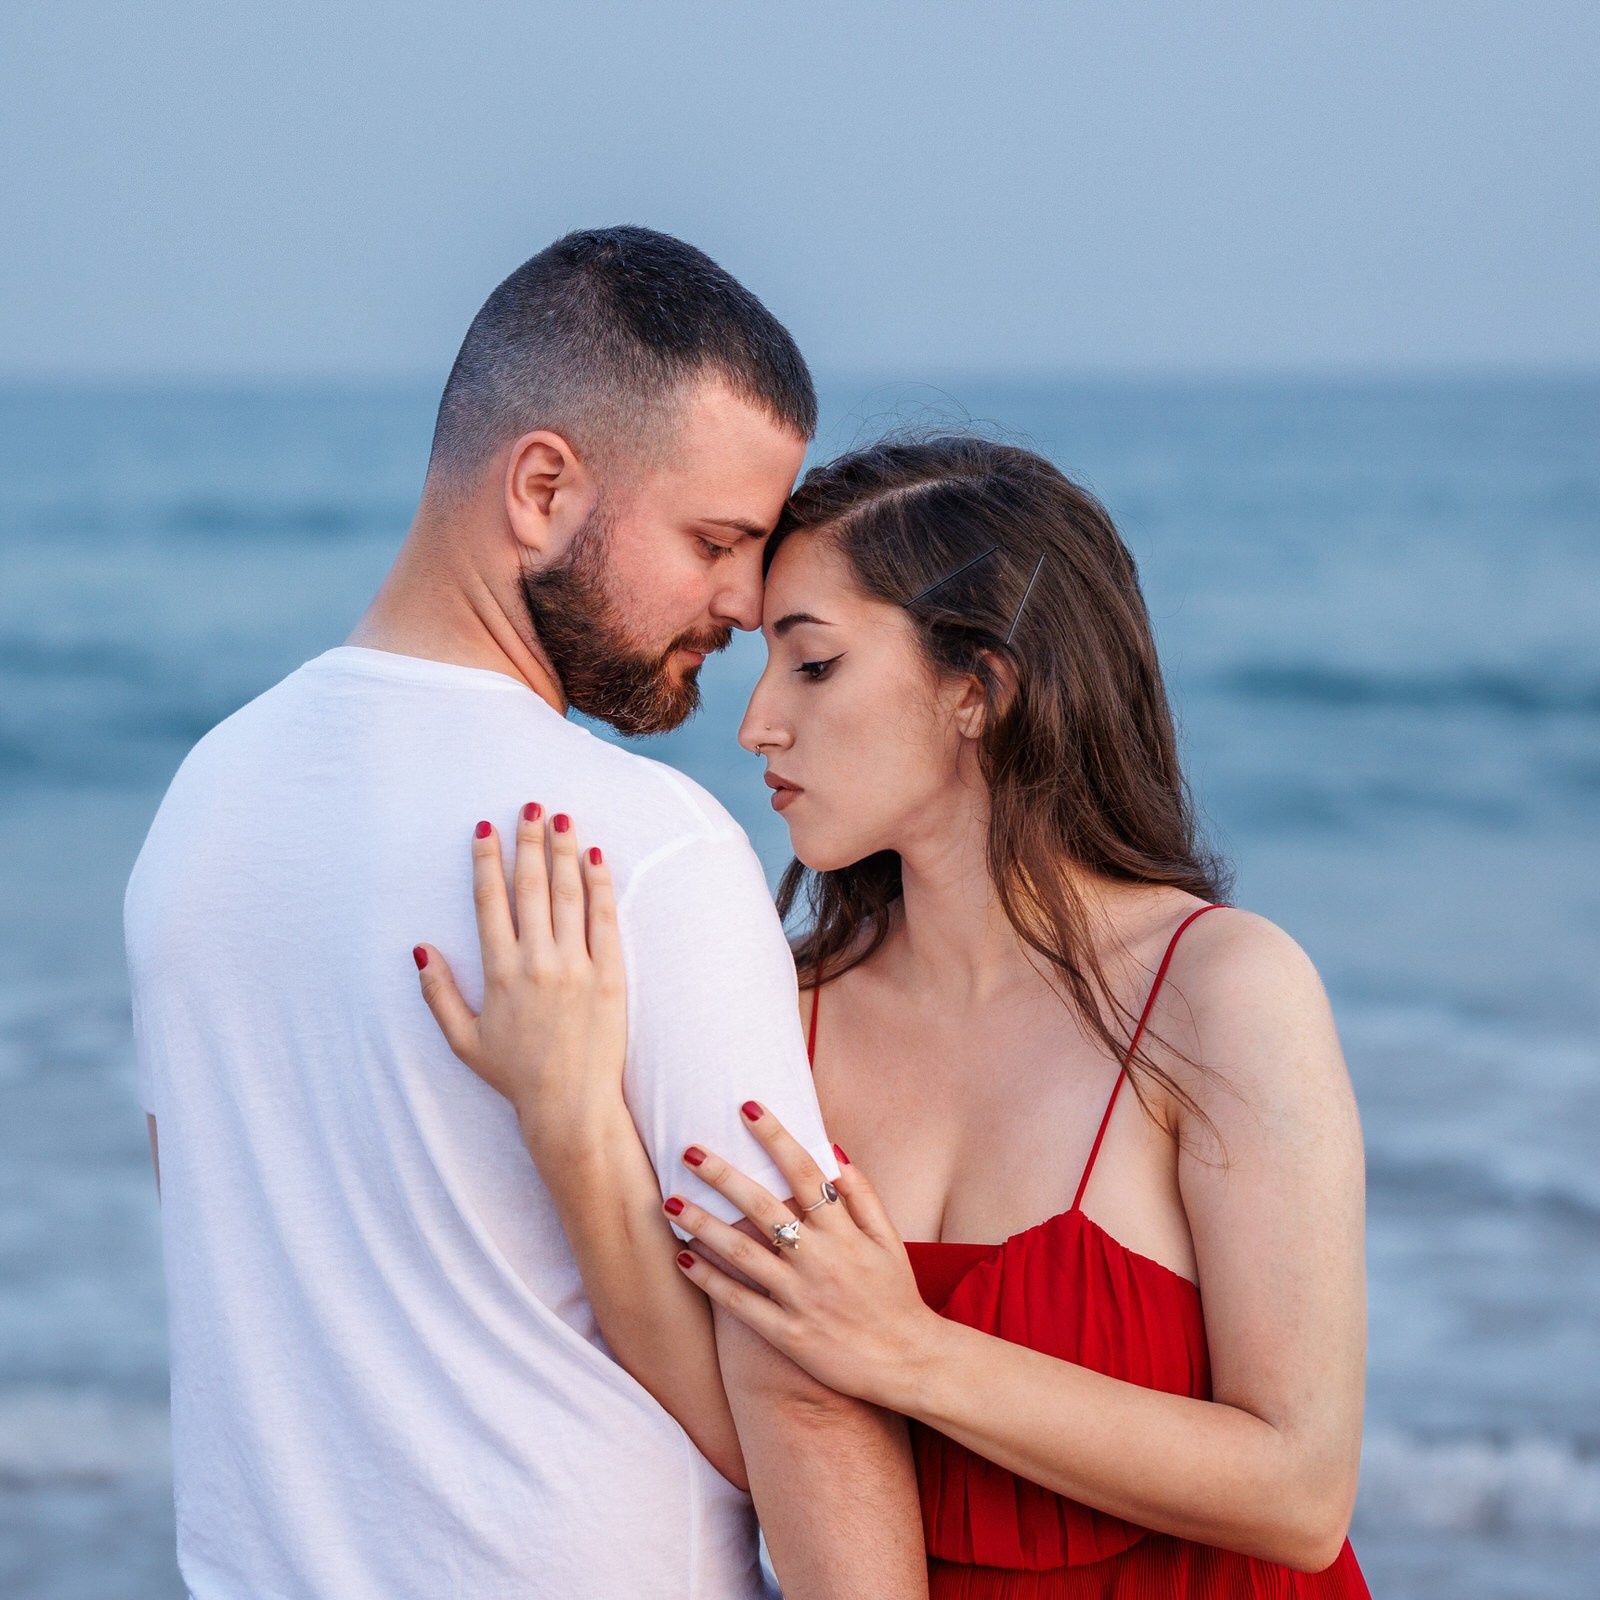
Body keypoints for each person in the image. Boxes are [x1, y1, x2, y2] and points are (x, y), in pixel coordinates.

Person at [418, 436, 1373, 1595]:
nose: (756, 722)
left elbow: (1301, 1492)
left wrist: (913, 1352)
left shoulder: (1219, 990)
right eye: (759, 663)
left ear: (980, 688)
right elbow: (746, 1436)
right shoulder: (787, 1009)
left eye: (812, 665)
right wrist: (567, 1117)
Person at [125, 227, 927, 1600]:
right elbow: (805, 1387)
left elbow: (229, 1265)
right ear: (544, 487)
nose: (745, 604)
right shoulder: (641, 846)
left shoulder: (202, 807)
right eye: (715, 542)